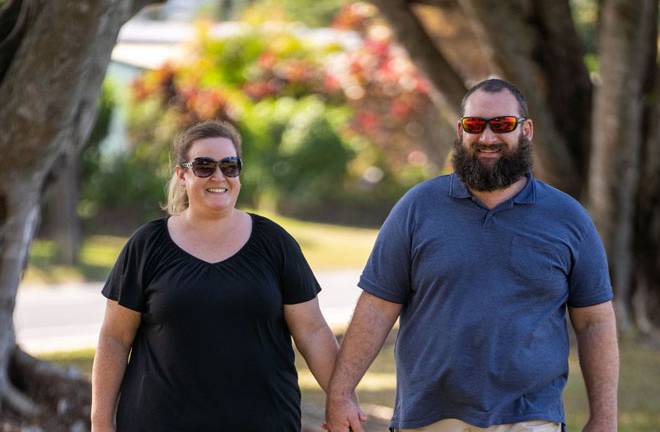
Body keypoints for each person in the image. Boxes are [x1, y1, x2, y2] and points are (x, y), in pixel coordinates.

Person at [324, 79, 618, 432]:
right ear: (460, 130)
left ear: (526, 130)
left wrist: (604, 418)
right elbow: (376, 306)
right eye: (475, 125)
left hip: (530, 417)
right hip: (429, 415)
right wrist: (341, 392)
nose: (488, 137)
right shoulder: (417, 208)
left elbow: (595, 322)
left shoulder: (568, 217)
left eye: (503, 125)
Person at [91, 120, 339, 431]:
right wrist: (100, 422)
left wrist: (342, 398)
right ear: (183, 174)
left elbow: (312, 331)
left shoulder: (276, 243)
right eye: (204, 166)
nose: (218, 176)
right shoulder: (147, 245)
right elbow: (115, 337)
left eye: (229, 166)